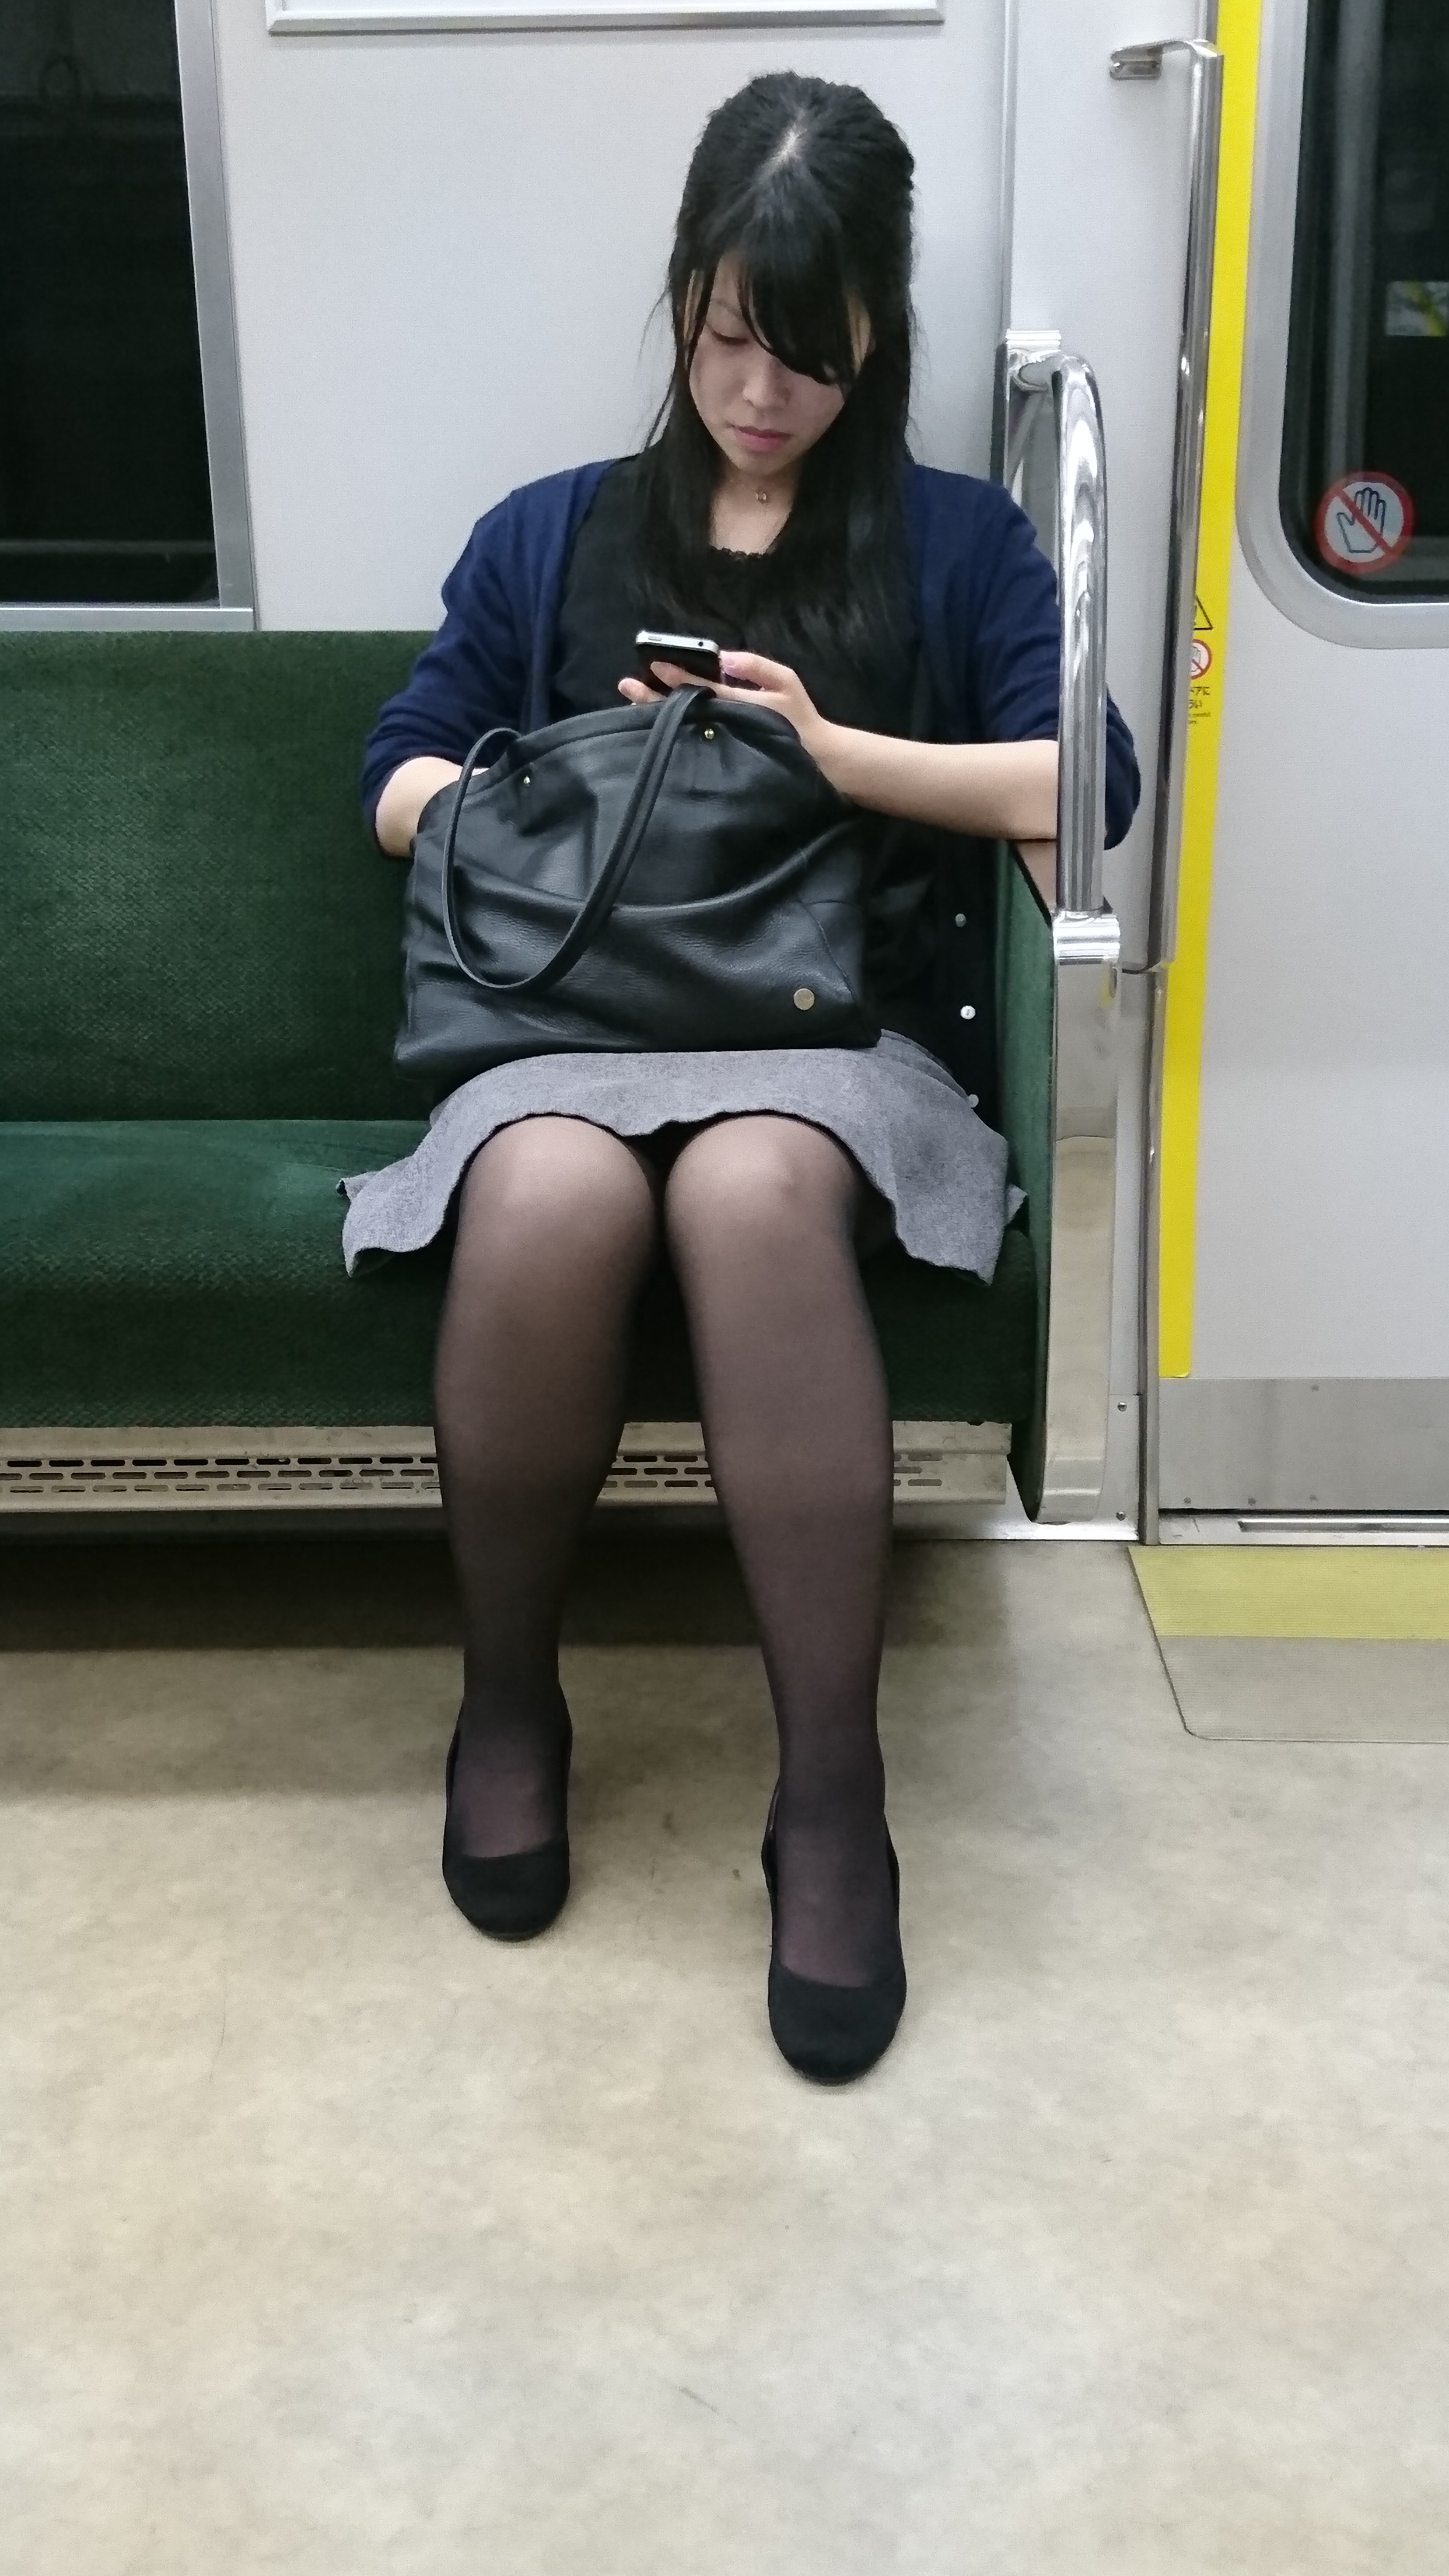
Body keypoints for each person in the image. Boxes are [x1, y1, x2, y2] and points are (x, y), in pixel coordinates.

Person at [350, 71, 1139, 2084]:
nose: (760, 390)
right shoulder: (552, 533)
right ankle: (509, 1702)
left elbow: (1098, 787)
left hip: (841, 1046)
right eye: (724, 336)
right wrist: (569, 786)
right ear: (683, 296)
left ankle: (832, 1799)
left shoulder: (955, 545)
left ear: (877, 331)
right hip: (571, 1031)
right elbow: (396, 772)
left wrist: (827, 756)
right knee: (545, 1188)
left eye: (809, 350)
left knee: (748, 1182)